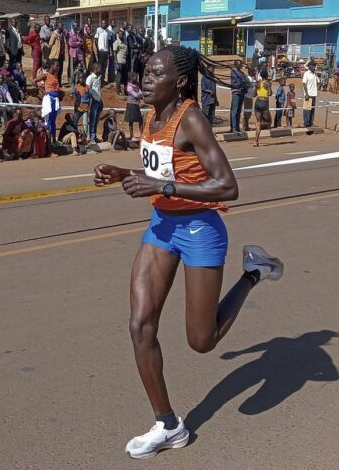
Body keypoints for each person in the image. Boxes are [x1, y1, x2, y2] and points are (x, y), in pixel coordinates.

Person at [92, 45, 283, 460]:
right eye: (144, 71)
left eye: (154, 74)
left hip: (200, 230)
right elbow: (165, 172)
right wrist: (125, 175)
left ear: (178, 82)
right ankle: (168, 424)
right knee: (140, 325)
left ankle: (253, 272)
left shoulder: (190, 119)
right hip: (161, 227)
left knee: (202, 340)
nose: (145, 79)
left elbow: (228, 186)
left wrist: (162, 188)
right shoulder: (151, 115)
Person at [33, 60, 62, 148]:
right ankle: (47, 141)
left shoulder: (56, 75)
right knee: (48, 121)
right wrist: (43, 91)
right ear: (52, 65)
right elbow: (33, 81)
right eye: (56, 66)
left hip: (55, 100)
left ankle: (54, 140)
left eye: (59, 66)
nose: (58, 68)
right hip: (49, 100)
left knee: (53, 121)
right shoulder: (45, 75)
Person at [86, 63, 103, 144]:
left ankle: (95, 136)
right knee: (92, 120)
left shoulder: (99, 77)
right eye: (99, 68)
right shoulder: (90, 78)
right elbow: (88, 90)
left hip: (99, 100)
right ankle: (91, 138)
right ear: (95, 69)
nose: (100, 70)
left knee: (96, 120)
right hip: (93, 101)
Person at [252, 76, 271, 147]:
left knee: (258, 122)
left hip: (257, 102)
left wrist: (257, 88)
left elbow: (254, 95)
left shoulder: (258, 83)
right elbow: (270, 94)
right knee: (268, 123)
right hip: (264, 102)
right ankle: (260, 125)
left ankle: (256, 141)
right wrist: (268, 87)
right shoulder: (268, 83)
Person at [125, 72, 144, 143]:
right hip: (131, 104)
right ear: (131, 78)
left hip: (136, 104)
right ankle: (131, 135)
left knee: (140, 120)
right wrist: (139, 94)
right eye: (135, 77)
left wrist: (139, 94)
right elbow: (136, 95)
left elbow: (140, 93)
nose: (137, 78)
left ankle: (142, 135)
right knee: (131, 121)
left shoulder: (136, 85)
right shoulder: (129, 87)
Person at [229, 59, 246, 133]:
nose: (241, 65)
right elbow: (236, 83)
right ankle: (234, 127)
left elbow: (244, 81)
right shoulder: (234, 72)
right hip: (236, 93)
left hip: (241, 93)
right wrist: (242, 84)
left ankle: (237, 127)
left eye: (241, 64)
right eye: (240, 64)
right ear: (236, 65)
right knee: (234, 111)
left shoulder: (242, 73)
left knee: (238, 111)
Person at [302, 61, 318, 129]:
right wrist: (306, 94)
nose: (314, 67)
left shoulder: (314, 74)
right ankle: (306, 123)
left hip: (314, 94)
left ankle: (311, 122)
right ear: (310, 66)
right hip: (308, 94)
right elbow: (304, 84)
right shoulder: (306, 74)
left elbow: (318, 81)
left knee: (312, 110)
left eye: (315, 66)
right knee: (307, 110)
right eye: (313, 66)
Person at [113, 30, 129, 96]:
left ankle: (125, 90)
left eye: (122, 34)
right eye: (119, 34)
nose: (121, 35)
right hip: (119, 62)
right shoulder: (116, 42)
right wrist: (116, 63)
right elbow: (114, 53)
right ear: (118, 35)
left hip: (125, 61)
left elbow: (126, 52)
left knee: (125, 77)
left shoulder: (125, 42)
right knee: (119, 77)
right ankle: (118, 91)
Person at [95, 19, 111, 85]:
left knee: (104, 66)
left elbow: (109, 41)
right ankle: (98, 80)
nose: (104, 24)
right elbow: (96, 39)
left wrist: (109, 50)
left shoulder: (107, 31)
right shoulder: (98, 29)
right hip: (100, 51)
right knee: (100, 66)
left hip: (106, 51)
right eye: (103, 23)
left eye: (105, 23)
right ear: (101, 24)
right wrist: (98, 49)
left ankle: (102, 79)